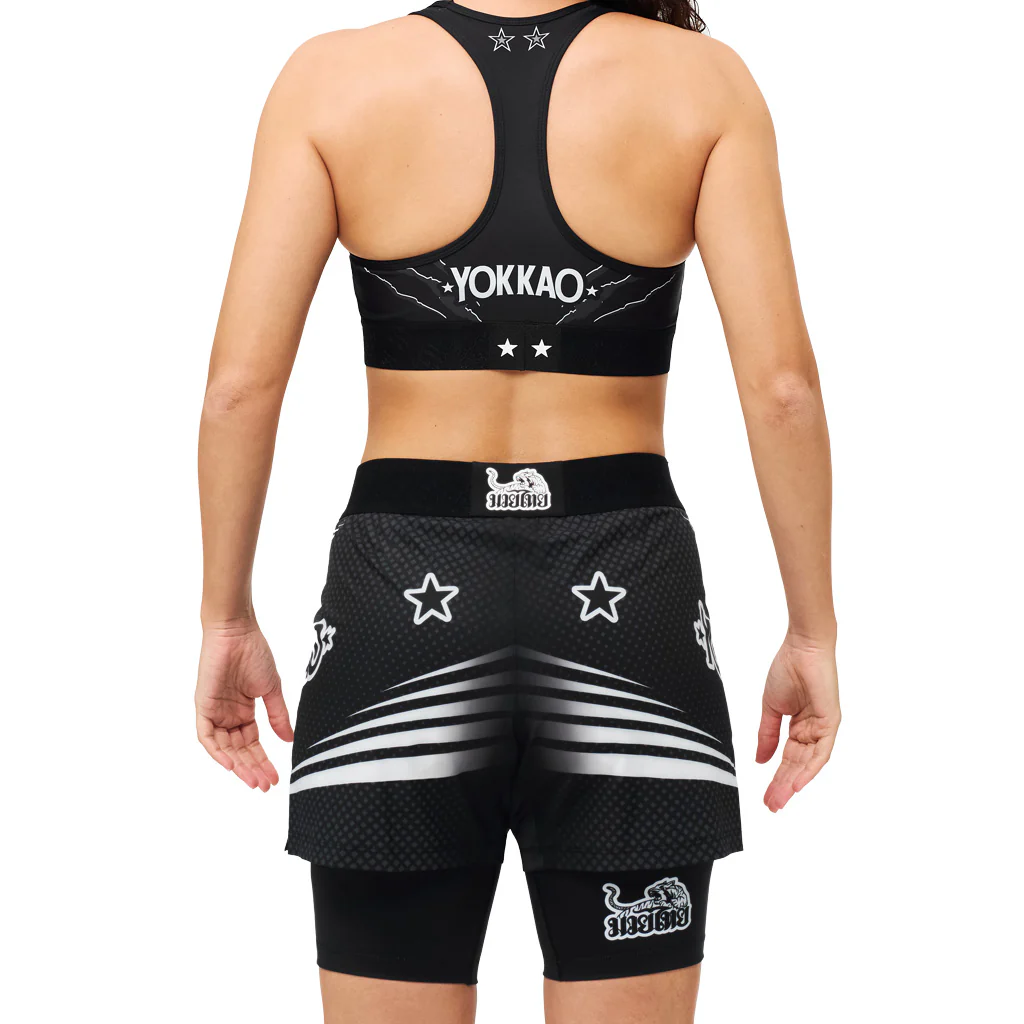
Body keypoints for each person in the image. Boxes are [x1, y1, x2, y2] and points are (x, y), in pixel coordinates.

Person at [195, 2, 841, 1021]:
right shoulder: (700, 83)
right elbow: (783, 392)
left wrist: (224, 616)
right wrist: (812, 630)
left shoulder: (333, 81)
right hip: (625, 600)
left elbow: (239, 389)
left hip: (399, 600)